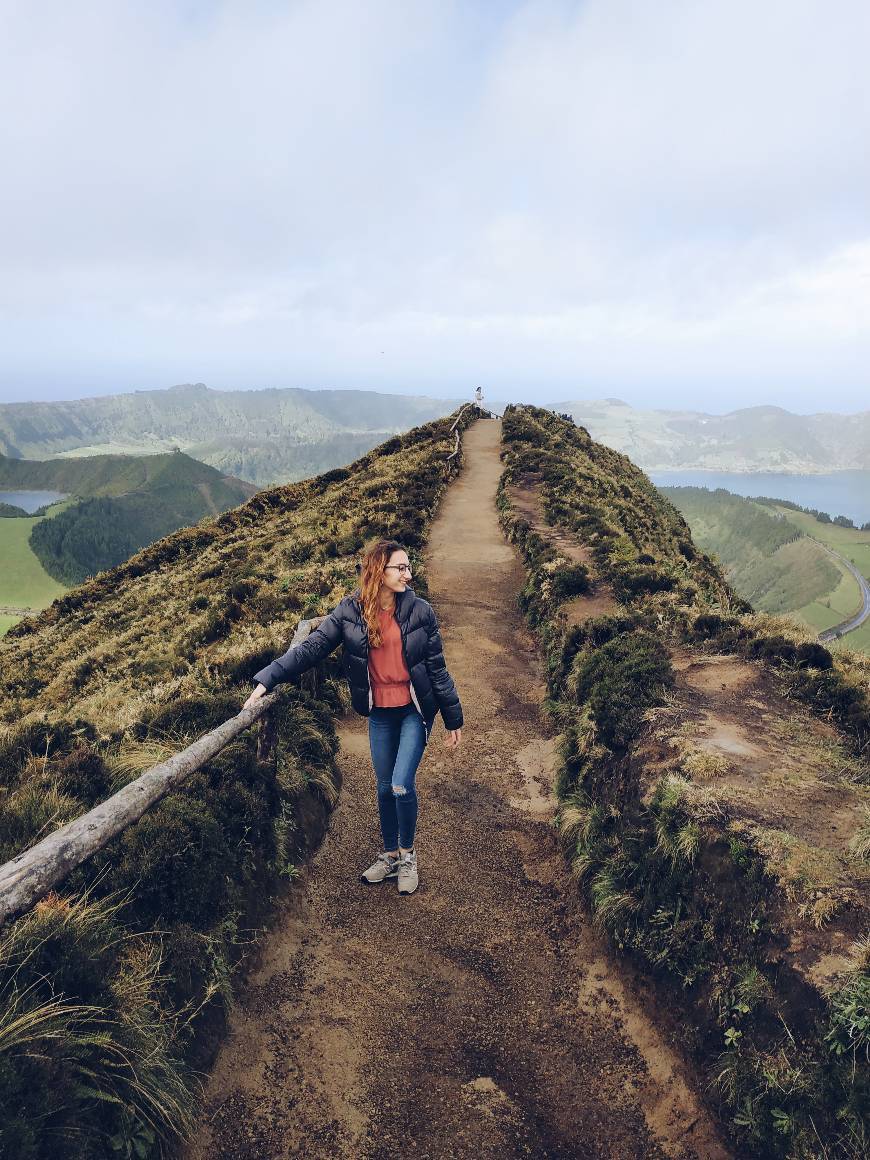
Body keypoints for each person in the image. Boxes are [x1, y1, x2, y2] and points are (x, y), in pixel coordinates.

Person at [243, 539, 463, 895]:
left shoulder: (420, 611)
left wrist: (453, 717)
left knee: (401, 783)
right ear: (379, 571)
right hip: (379, 714)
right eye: (401, 568)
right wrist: (267, 679)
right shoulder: (349, 611)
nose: (409, 574)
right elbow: (311, 649)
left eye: (409, 567)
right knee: (382, 786)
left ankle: (408, 855)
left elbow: (437, 668)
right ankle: (390, 854)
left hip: (414, 711)